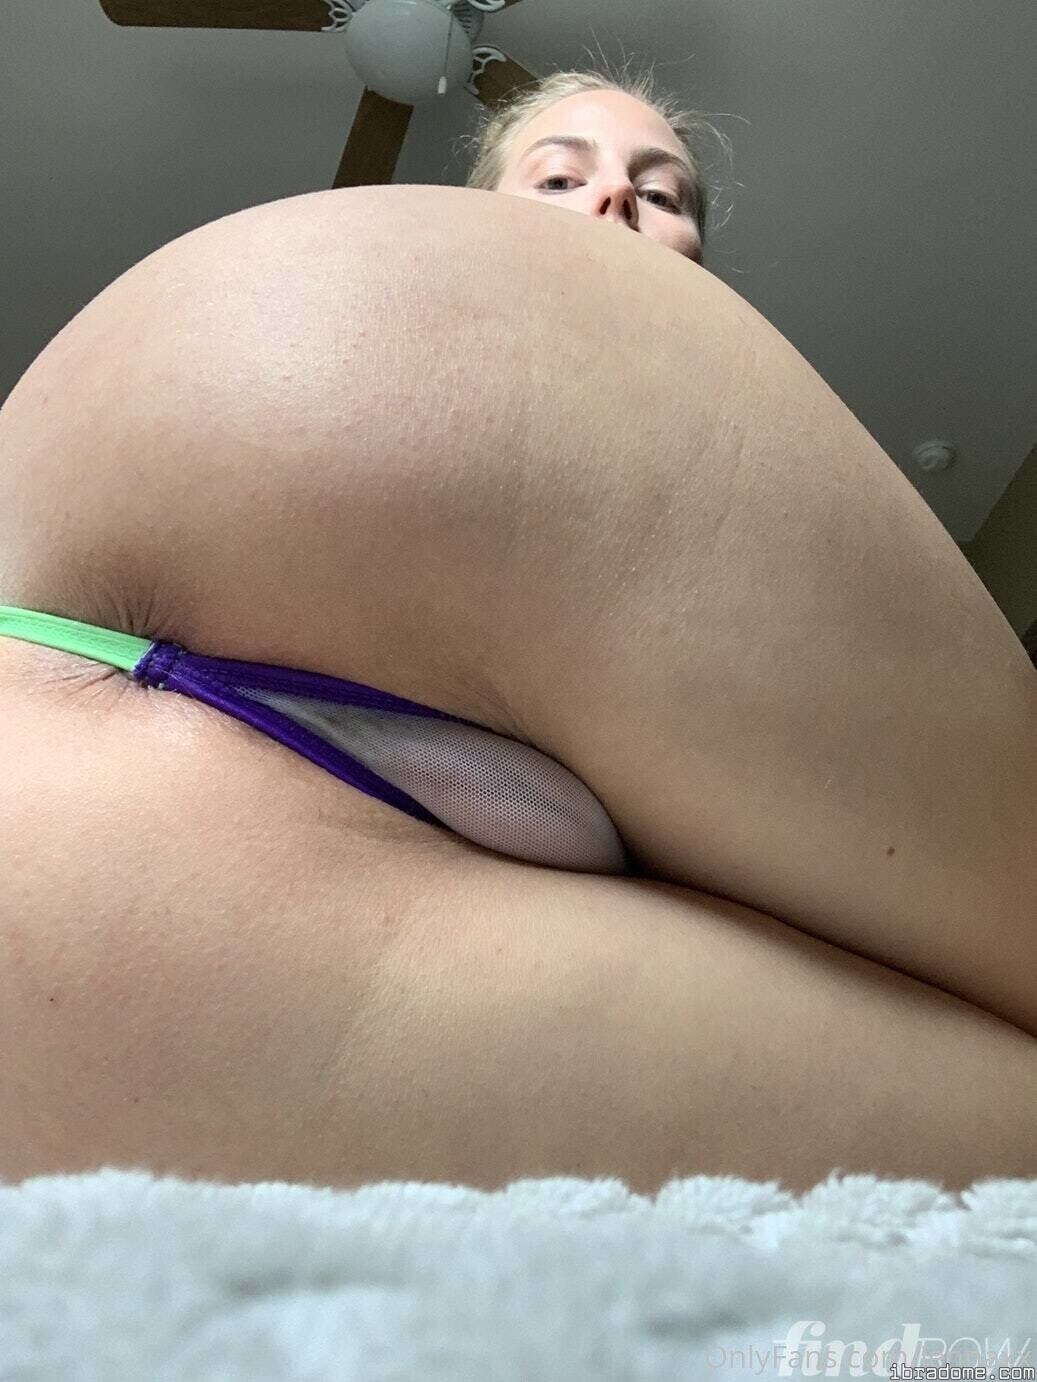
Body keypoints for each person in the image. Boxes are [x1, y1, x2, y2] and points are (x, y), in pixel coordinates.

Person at [0, 69, 1034, 1196]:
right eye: (557, 176)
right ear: (469, 211)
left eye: (663, 193)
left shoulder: (747, 501)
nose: (616, 199)